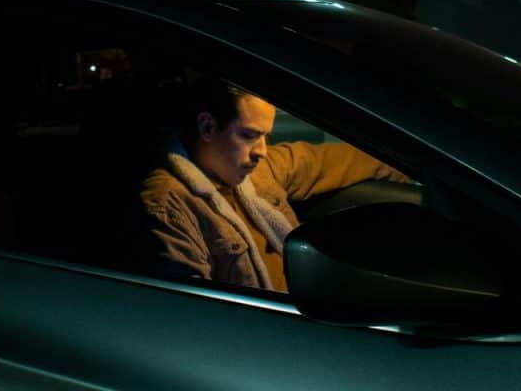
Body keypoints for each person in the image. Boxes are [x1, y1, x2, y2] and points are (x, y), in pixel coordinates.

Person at [135, 77, 409, 293]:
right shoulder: (169, 204)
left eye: (266, 136)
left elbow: (349, 160)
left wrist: (419, 164)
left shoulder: (260, 171)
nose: (262, 151)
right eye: (249, 135)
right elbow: (197, 313)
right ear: (207, 127)